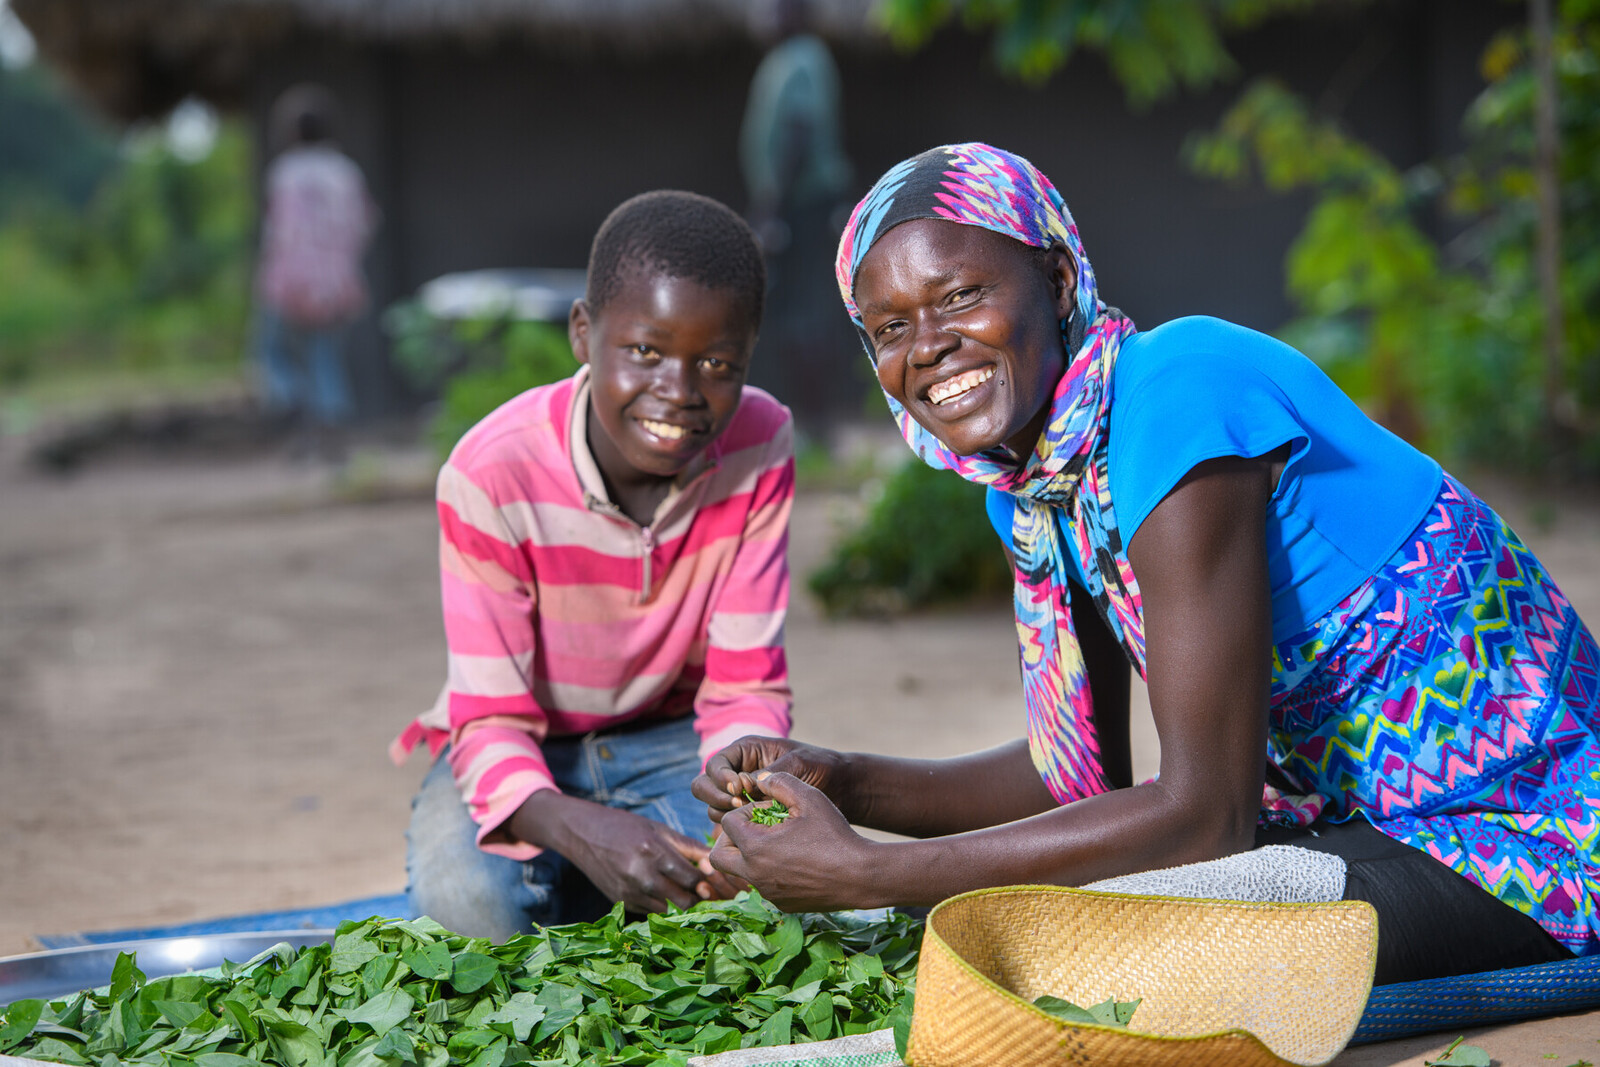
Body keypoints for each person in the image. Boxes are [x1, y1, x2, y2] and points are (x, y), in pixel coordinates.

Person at [696, 143, 1600, 985]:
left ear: (1055, 279)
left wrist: (870, 873)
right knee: (1064, 929)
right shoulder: (1040, 486)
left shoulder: (1177, 394)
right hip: (1380, 830)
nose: (925, 346)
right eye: (889, 328)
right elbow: (1074, 767)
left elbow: (1203, 816)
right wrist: (840, 778)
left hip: (1530, 837)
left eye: (962, 296)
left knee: (1105, 953)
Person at [394, 191, 795, 939]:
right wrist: (586, 833)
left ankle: (597, 887)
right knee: (464, 906)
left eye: (716, 362)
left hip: (678, 741)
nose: (678, 391)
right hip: (521, 744)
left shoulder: (761, 440)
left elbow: (746, 688)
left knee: (770, 888)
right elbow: (487, 719)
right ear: (584, 332)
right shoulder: (491, 471)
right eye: (645, 350)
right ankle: (581, 876)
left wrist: (748, 812)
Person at [738, 0, 857, 430]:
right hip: (793, 203)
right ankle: (804, 421)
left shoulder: (804, 58)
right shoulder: (782, 60)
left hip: (805, 205)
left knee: (806, 314)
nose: (766, 16)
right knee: (793, 315)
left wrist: (771, 208)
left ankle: (816, 425)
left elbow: (799, 131)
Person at [255, 84, 378, 451]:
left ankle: (291, 401)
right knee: (325, 354)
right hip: (339, 284)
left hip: (291, 282)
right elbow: (363, 224)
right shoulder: (346, 172)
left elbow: (280, 233)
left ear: (291, 132)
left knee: (272, 349)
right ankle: (330, 419)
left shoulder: (285, 173)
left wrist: (280, 280)